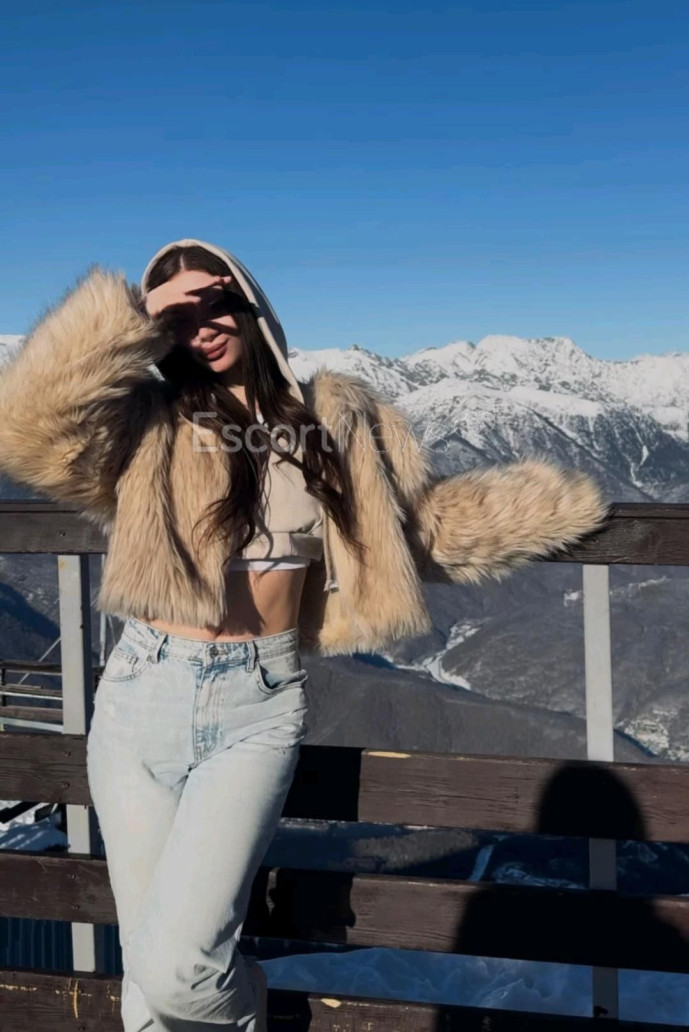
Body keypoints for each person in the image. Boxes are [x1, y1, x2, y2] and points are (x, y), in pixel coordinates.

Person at [0, 237, 609, 1031]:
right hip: (140, 693)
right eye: (176, 314)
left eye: (215, 301)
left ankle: (241, 1012)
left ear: (251, 305)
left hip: (254, 703)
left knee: (179, 968)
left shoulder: (333, 417)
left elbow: (414, 528)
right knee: (149, 980)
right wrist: (132, 315)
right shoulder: (143, 421)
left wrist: (550, 508)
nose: (199, 324)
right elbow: (26, 424)